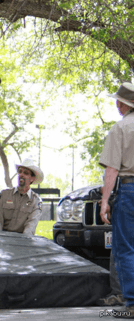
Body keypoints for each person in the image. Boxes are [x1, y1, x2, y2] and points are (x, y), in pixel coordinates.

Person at [99, 82, 134, 318]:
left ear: (122, 104)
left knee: (126, 249)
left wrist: (104, 201)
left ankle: (132, 303)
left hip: (130, 191)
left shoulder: (120, 128)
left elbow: (112, 169)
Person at [0, 159, 43, 236]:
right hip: (2, 239)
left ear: (32, 178)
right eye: (20, 171)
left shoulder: (36, 201)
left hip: (21, 242)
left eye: (26, 173)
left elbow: (30, 229)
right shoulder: (3, 195)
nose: (21, 174)